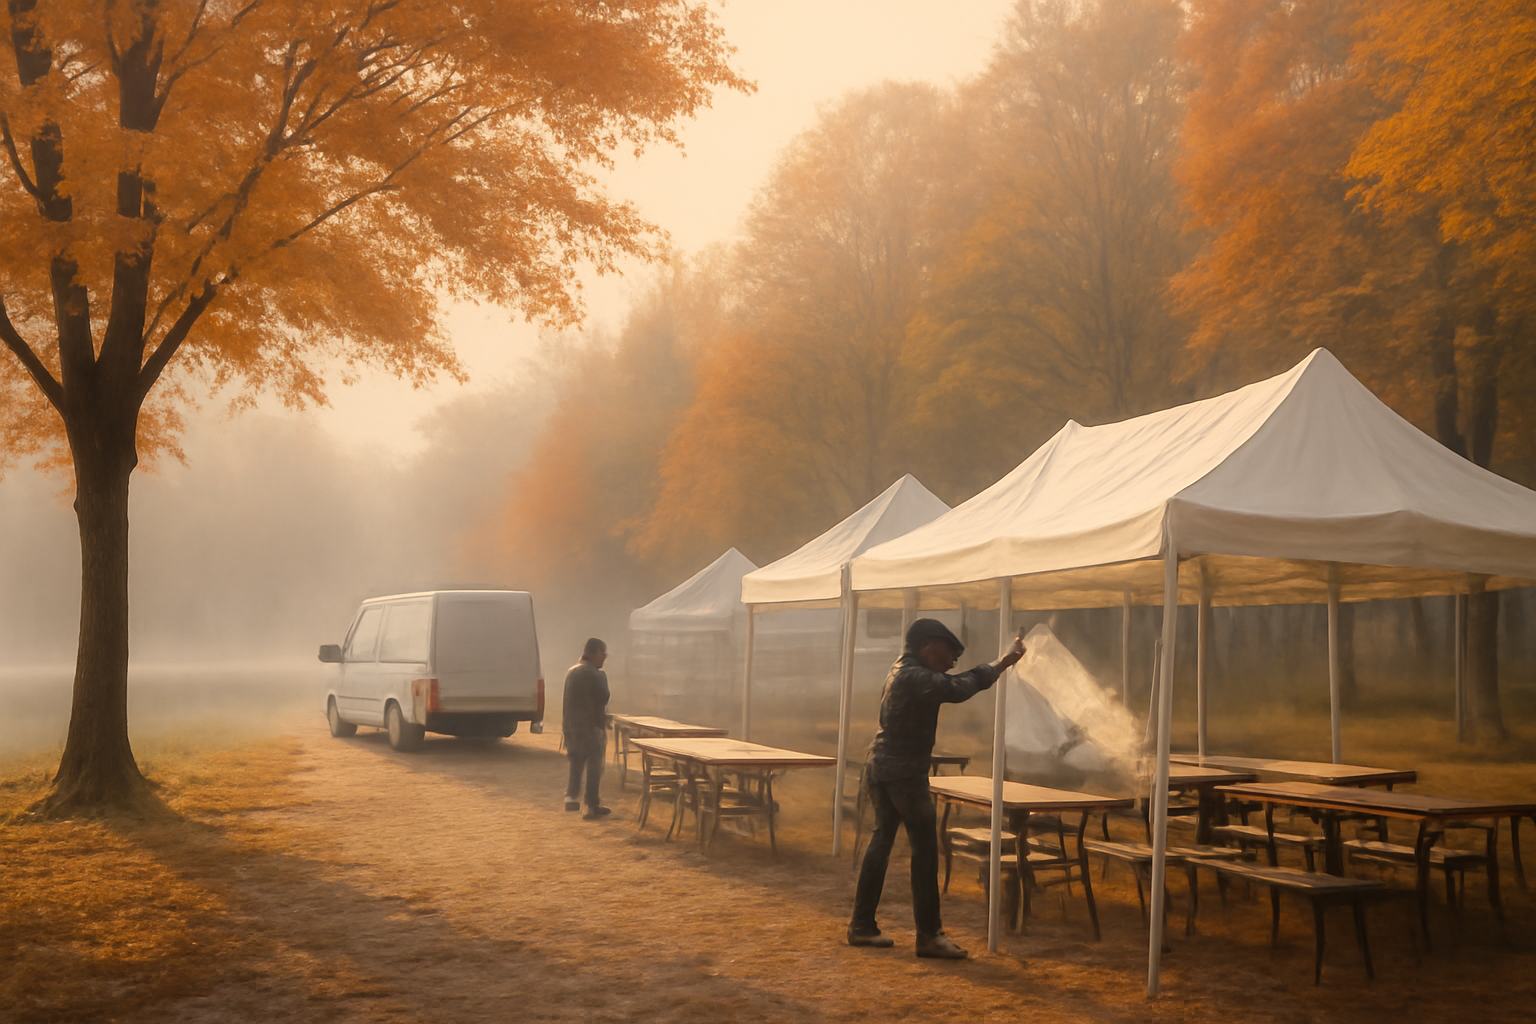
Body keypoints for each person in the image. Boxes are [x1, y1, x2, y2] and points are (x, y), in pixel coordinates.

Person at [847, 618, 1026, 959]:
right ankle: (929, 935)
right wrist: (1002, 663)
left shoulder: (903, 670)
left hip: (885, 767)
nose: (951, 662)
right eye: (947, 654)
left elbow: (952, 682)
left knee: (881, 842)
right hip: (902, 772)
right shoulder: (913, 676)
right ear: (928, 646)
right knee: (925, 851)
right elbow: (957, 689)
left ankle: (862, 925)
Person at [563, 637, 611, 820]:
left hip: (571, 726)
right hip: (591, 727)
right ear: (595, 653)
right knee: (594, 765)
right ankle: (591, 805)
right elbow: (602, 699)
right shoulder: (597, 675)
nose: (605, 657)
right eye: (603, 653)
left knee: (576, 762)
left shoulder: (571, 672)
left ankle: (570, 796)